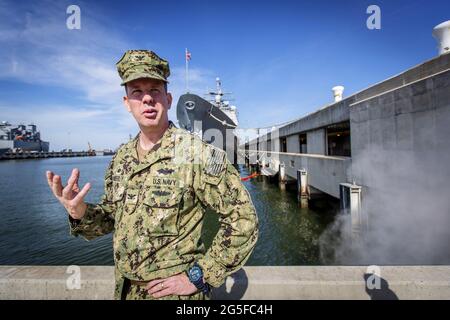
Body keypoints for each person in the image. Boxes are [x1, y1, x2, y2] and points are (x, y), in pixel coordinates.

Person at [46, 50, 259, 300]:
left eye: (155, 90)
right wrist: (79, 211)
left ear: (168, 99)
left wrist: (200, 275)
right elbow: (111, 218)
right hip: (124, 291)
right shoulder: (120, 159)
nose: (147, 99)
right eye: (137, 91)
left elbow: (243, 219)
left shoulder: (197, 154)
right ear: (127, 103)